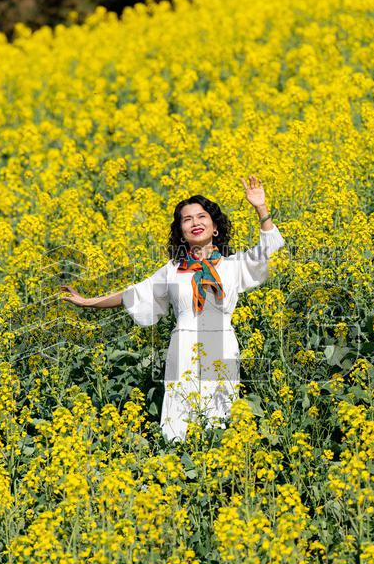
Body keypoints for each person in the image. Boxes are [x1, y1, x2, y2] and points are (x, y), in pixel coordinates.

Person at [60, 175, 286, 442]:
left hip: (222, 343)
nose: (195, 223)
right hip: (184, 347)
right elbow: (134, 294)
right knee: (178, 415)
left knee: (221, 414)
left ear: (214, 228)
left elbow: (271, 252)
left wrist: (261, 208)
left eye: (201, 217)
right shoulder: (172, 271)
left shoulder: (233, 265)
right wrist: (87, 302)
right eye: (187, 220)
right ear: (181, 232)